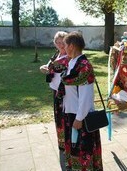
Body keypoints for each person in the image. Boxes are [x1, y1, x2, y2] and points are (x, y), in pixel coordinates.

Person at [59, 31, 103, 170]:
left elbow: (86, 96)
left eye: (65, 45)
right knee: (74, 148)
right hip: (70, 112)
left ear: (71, 46)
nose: (64, 48)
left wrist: (79, 118)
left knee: (84, 150)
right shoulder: (72, 62)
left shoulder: (84, 66)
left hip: (80, 116)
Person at [39, 31, 69, 171]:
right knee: (59, 119)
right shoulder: (55, 55)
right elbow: (49, 67)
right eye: (57, 42)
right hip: (56, 92)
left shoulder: (70, 56)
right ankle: (62, 143)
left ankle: (68, 143)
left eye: (62, 42)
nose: (60, 45)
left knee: (66, 119)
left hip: (66, 94)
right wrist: (44, 68)